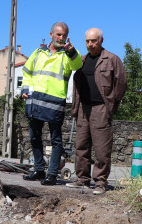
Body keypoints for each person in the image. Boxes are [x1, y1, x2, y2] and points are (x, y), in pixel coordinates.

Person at [21, 22, 82, 185]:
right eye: (58, 35)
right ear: (51, 35)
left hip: (55, 103)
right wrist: (24, 89)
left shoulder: (68, 54)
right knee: (34, 137)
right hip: (35, 101)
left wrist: (71, 51)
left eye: (64, 35)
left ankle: (52, 173)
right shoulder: (39, 52)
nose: (61, 38)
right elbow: (27, 72)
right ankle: (39, 170)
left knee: (56, 140)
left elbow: (78, 65)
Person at [67, 28, 126, 194]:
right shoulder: (82, 60)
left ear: (101, 40)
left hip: (101, 108)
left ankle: (100, 182)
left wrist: (112, 105)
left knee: (102, 148)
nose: (90, 44)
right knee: (81, 146)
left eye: (93, 41)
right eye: (87, 41)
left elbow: (121, 84)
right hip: (83, 108)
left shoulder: (112, 59)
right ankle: (82, 179)